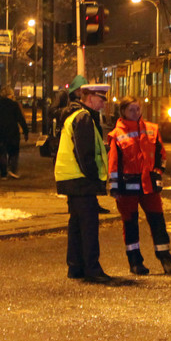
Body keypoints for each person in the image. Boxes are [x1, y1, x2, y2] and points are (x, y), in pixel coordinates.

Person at [53, 79, 115, 284]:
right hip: (81, 179)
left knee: (77, 224)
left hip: (71, 178)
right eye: (101, 99)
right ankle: (91, 268)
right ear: (89, 98)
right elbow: (85, 153)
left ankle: (76, 266)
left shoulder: (75, 116)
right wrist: (94, 177)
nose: (104, 104)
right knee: (88, 225)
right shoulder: (84, 118)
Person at [107, 96, 171, 276]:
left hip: (149, 185)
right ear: (123, 112)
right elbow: (114, 163)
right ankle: (135, 262)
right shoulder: (116, 135)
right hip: (127, 187)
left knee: (158, 222)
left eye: (137, 109)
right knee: (130, 225)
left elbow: (161, 154)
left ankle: (165, 259)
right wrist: (114, 187)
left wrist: (159, 172)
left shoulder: (152, 129)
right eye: (131, 110)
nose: (135, 113)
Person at [0, 86, 29, 178]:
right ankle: (12, 170)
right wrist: (26, 132)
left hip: (1, 132)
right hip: (13, 132)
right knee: (14, 152)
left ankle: (3, 174)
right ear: (10, 95)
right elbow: (20, 119)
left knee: (2, 153)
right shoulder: (14, 105)